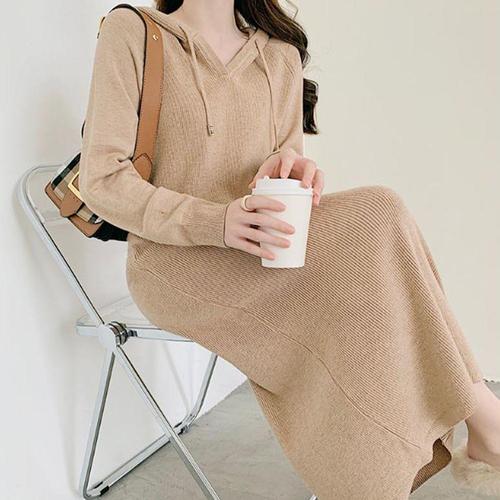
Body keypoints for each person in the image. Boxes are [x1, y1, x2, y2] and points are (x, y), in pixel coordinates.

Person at [78, 1, 500, 498]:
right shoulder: (134, 32)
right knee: (377, 228)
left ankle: (404, 467)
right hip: (176, 264)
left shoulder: (279, 55)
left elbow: (284, 166)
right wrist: (218, 221)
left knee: (376, 252)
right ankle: (485, 425)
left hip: (266, 254)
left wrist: (295, 171)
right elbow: (102, 181)